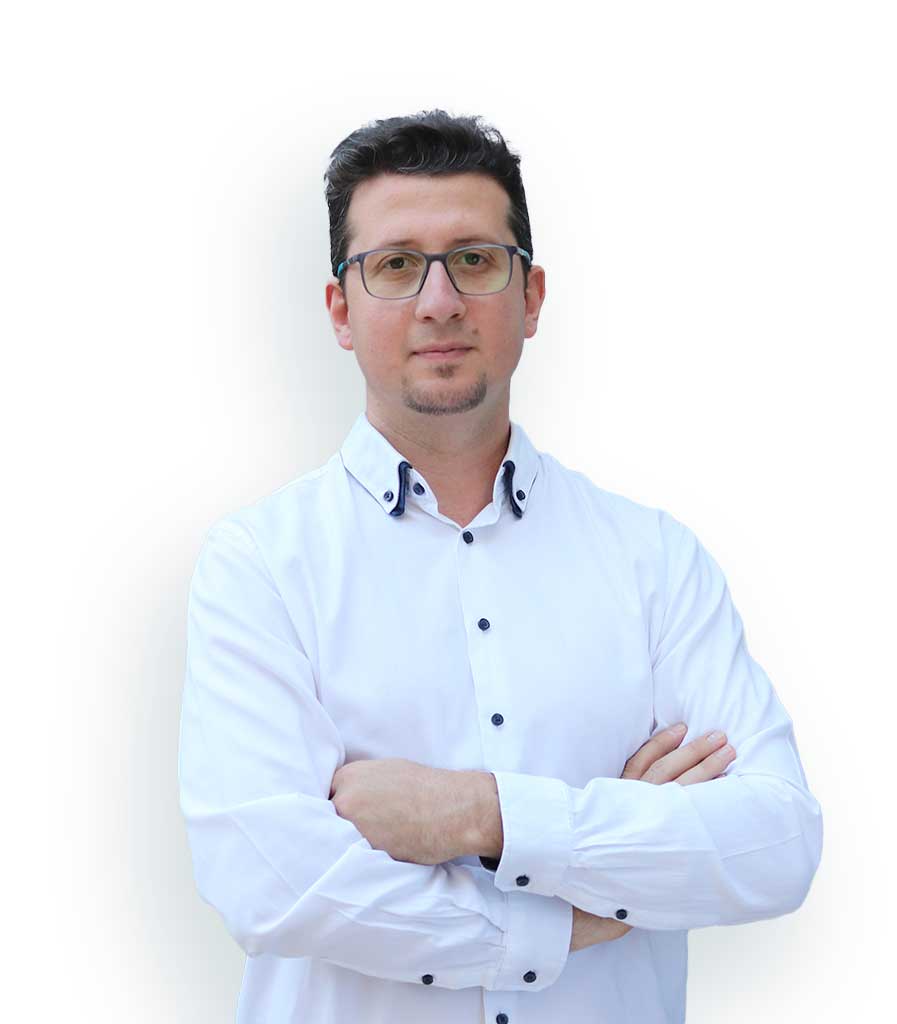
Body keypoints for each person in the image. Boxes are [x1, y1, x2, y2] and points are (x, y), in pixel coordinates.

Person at [178, 109, 823, 1024]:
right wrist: (580, 911)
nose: (439, 300)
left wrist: (481, 814)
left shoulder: (653, 560)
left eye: (475, 260)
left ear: (531, 296)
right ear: (341, 311)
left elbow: (775, 844)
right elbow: (273, 886)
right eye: (395, 265)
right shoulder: (259, 566)